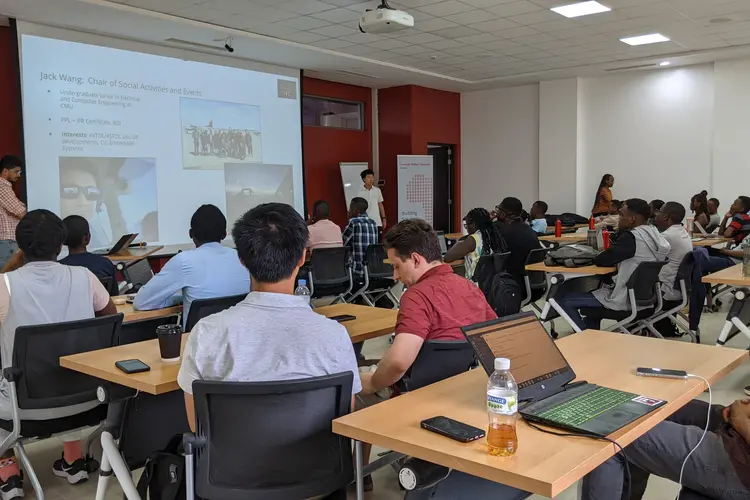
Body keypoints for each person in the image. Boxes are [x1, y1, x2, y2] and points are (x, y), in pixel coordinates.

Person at [177, 202, 361, 434]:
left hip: (230, 469)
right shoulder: (334, 334)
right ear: (303, 258)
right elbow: (346, 417)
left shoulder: (207, 332)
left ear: (242, 260)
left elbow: (198, 426)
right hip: (317, 468)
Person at [357, 218, 497, 489]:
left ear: (417, 259)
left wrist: (372, 382)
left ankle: (359, 478)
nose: (395, 277)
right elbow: (493, 337)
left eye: (397, 267)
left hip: (415, 394)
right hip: (459, 391)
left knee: (350, 394)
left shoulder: (417, 296)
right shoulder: (469, 287)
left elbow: (398, 361)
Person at [0, 210, 117, 497]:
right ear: (60, 244)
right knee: (64, 366)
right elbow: (110, 320)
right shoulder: (85, 277)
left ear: (19, 244)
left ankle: (8, 473)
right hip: (89, 400)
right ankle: (73, 459)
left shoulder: (5, 284)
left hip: (23, 409)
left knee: (12, 375)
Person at [581, 399, 749, 499]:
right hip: (740, 434)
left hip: (741, 464)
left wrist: (740, 418)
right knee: (646, 407)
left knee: (615, 434)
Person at [555, 199, 670, 330]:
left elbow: (602, 260)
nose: (618, 219)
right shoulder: (654, 234)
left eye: (621, 215)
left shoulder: (631, 238)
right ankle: (594, 337)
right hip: (646, 300)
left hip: (624, 299)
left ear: (632, 219)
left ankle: (585, 338)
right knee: (593, 299)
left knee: (564, 300)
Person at [133, 204, 250, 326]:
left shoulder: (183, 261)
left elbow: (141, 303)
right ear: (225, 234)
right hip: (239, 340)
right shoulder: (242, 259)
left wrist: (177, 299)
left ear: (190, 234)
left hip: (198, 342)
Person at [60, 215, 117, 295]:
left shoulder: (58, 268)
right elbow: (115, 297)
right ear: (87, 238)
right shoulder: (105, 264)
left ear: (62, 240)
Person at [444, 208, 507, 280]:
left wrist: (460, 240)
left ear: (473, 224)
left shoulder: (473, 239)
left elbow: (447, 258)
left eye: (466, 225)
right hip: (494, 284)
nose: (466, 228)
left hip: (474, 286)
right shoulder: (494, 235)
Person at [494, 197, 540, 288]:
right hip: (534, 284)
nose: (496, 213)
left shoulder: (504, 233)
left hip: (512, 287)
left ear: (503, 214)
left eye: (498, 209)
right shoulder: (528, 229)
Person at [653, 202, 692, 301]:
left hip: (665, 289)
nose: (655, 214)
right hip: (679, 287)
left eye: (659, 211)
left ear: (665, 216)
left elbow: (648, 258)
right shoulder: (682, 232)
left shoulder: (667, 236)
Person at [342, 197, 379, 284]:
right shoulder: (373, 223)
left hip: (357, 271)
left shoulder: (353, 222)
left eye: (350, 208)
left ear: (356, 210)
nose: (349, 210)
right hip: (372, 270)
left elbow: (343, 245)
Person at [0, 156, 25, 271]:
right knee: (8, 279)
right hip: (6, 242)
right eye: (16, 172)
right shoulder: (2, 187)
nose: (19, 175)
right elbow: (21, 212)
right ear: (5, 171)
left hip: (6, 242)